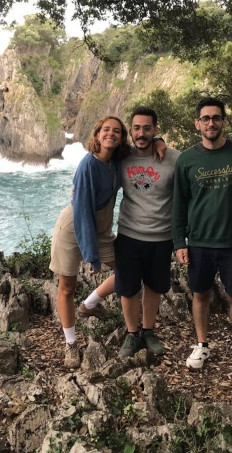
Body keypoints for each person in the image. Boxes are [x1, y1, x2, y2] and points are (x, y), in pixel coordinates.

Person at [89, 107, 180, 357]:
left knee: (153, 287)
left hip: (161, 237)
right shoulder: (122, 157)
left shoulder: (174, 158)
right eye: (137, 128)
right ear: (131, 130)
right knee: (128, 288)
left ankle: (149, 331)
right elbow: (97, 160)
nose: (141, 133)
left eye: (147, 128)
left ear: (155, 130)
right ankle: (131, 334)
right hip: (129, 235)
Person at [172, 96, 232, 370]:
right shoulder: (187, 159)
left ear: (224, 121)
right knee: (200, 294)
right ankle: (202, 344)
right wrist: (178, 242)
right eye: (205, 118)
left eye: (216, 117)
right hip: (198, 242)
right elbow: (179, 203)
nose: (211, 123)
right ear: (197, 124)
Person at [49, 115, 129, 368]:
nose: (111, 134)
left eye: (116, 131)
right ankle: (70, 343)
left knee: (128, 272)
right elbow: (82, 210)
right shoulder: (88, 165)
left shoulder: (116, 162)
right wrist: (92, 255)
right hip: (74, 228)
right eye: (106, 130)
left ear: (121, 138)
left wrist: (158, 141)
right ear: (96, 135)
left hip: (102, 228)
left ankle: (90, 303)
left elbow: (144, 145)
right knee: (67, 287)